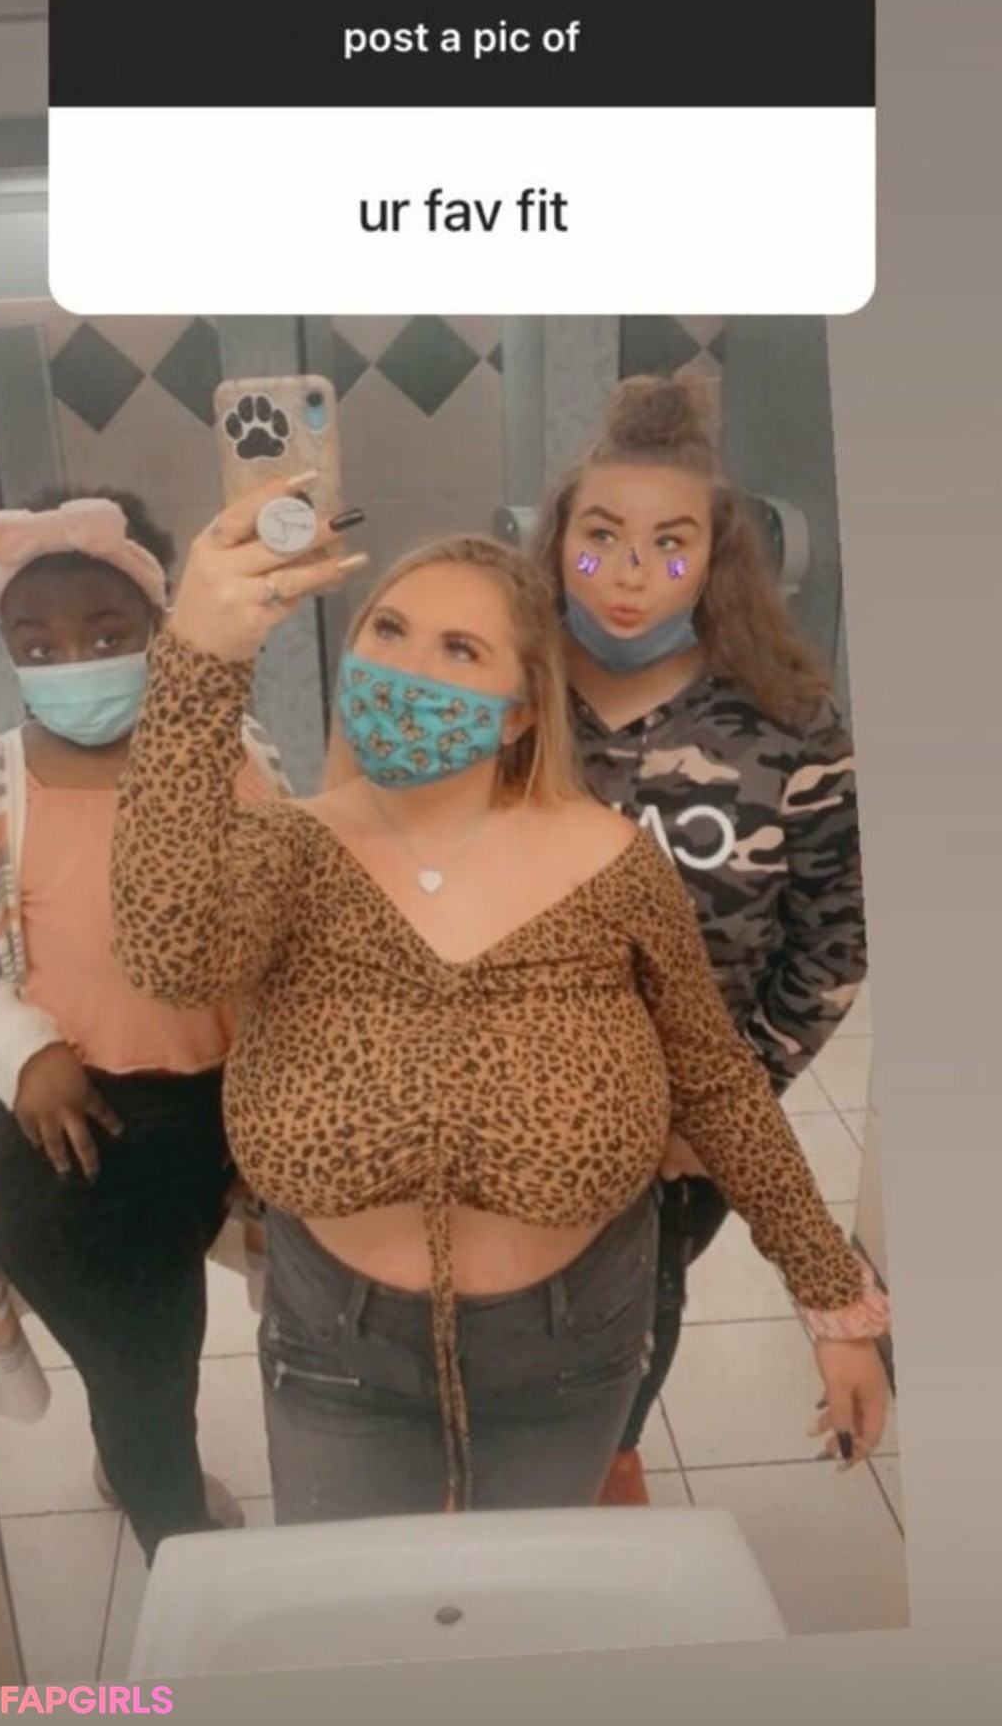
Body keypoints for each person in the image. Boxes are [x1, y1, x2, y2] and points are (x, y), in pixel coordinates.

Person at [109, 483, 891, 1526]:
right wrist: (200, 660)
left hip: (571, 1347)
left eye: (461, 649)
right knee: (362, 1601)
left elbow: (716, 1083)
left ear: (521, 710)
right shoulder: (288, 852)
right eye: (389, 630)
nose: (410, 669)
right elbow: (165, 953)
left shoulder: (610, 865)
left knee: (529, 1592)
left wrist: (834, 1299)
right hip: (336, 1352)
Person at [0, 489, 290, 1565]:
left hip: (223, 1110)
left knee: (183, 1333)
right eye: (38, 644)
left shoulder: (235, 756)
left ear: (162, 629)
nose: (72, 661)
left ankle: (134, 1452)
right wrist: (20, 1046)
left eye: (105, 633)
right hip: (75, 1139)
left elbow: (289, 916)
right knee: (146, 1356)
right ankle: (175, 1535)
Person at [525, 373, 871, 1503]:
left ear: (715, 557)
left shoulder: (790, 722)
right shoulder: (505, 699)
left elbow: (835, 939)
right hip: (509, 1102)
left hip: (688, 1133)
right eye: (601, 536)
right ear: (557, 541)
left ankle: (609, 1457)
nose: (630, 573)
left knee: (636, 1324)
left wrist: (731, 1097)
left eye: (669, 544)